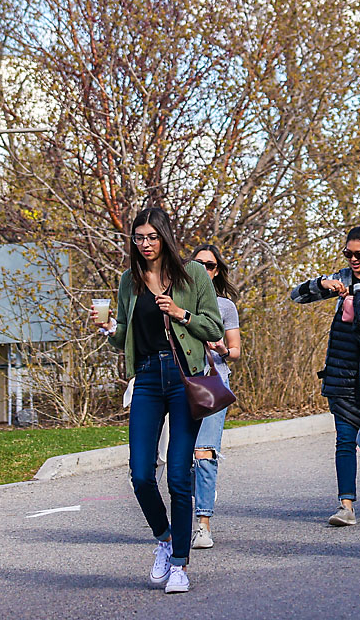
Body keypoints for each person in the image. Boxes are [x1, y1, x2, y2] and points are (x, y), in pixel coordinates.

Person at [91, 207, 223, 594]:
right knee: (141, 474)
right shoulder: (128, 281)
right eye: (139, 238)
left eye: (151, 236)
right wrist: (108, 329)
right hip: (147, 377)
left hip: (184, 378)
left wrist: (181, 313)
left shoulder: (193, 274)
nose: (145, 244)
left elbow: (213, 326)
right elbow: (124, 338)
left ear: (165, 236)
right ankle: (164, 539)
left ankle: (180, 564)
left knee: (180, 474)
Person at [290, 226, 360, 526]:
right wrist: (321, 283)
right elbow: (296, 296)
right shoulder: (341, 276)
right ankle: (346, 505)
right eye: (348, 254)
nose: (353, 260)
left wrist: (357, 290)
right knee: (344, 439)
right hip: (342, 369)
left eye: (359, 255)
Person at [190, 244, 241, 550]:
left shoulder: (225, 307)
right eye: (198, 265)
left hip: (212, 385)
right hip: (180, 385)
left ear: (217, 270)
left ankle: (203, 524)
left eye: (210, 265)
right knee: (181, 461)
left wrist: (222, 349)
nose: (204, 270)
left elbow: (235, 352)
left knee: (204, 453)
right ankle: (201, 492)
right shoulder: (176, 302)